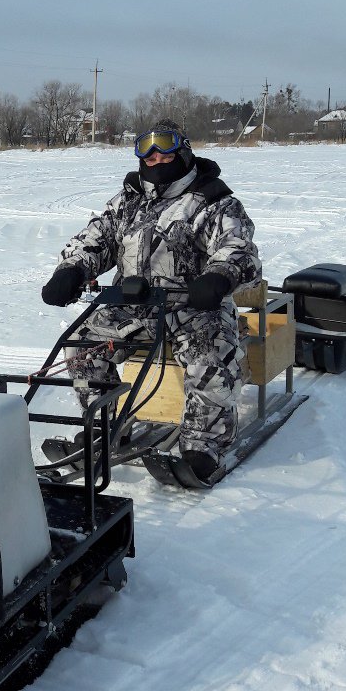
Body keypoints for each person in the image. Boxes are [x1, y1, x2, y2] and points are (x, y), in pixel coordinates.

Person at [40, 119, 261, 481]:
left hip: (194, 308)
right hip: (134, 306)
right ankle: (105, 426)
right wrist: (72, 270)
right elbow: (97, 238)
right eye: (147, 150)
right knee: (81, 348)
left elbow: (238, 248)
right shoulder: (128, 201)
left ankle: (203, 446)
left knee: (209, 356)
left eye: (165, 148)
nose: (156, 157)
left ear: (183, 150)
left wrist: (219, 277)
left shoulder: (213, 201)